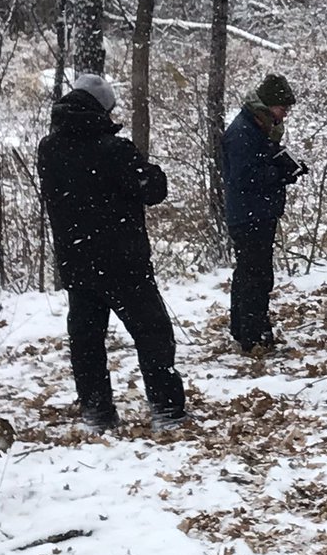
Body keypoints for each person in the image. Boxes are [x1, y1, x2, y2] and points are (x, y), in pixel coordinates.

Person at [37, 74, 186, 432]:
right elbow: (153, 189)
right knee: (153, 333)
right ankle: (166, 409)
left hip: (76, 261)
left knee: (87, 340)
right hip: (123, 261)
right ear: (103, 110)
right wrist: (149, 170)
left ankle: (97, 411)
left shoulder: (49, 149)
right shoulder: (115, 150)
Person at [221, 73, 306, 354]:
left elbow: (259, 164)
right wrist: (280, 174)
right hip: (249, 215)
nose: (285, 114)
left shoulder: (257, 127)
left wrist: (283, 166)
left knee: (251, 274)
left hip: (255, 212)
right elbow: (244, 177)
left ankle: (247, 329)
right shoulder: (243, 132)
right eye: (283, 108)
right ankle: (253, 334)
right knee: (255, 276)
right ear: (268, 105)